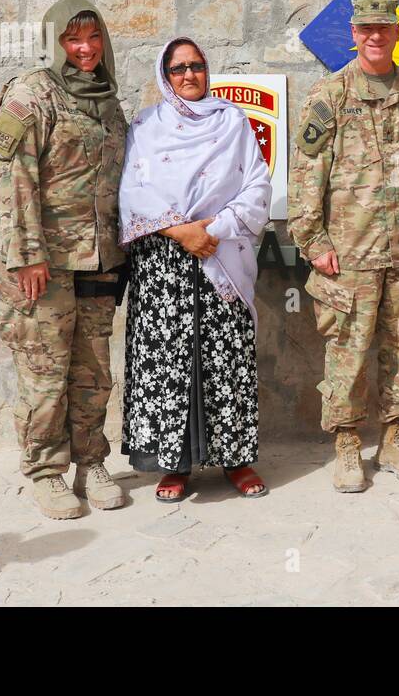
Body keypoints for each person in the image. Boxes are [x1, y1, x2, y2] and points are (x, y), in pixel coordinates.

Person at [288, 0, 399, 493]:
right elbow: (306, 174)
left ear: (398, 34)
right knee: (348, 354)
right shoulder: (330, 94)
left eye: (384, 28)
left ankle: (396, 440)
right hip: (349, 252)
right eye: (366, 29)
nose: (375, 36)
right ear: (353, 34)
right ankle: (347, 444)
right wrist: (312, 240)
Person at [0, 0, 128, 520]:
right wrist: (25, 254)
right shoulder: (30, 94)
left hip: (97, 260)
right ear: (54, 42)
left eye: (92, 37)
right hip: (41, 262)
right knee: (45, 374)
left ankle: (91, 463)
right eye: (72, 39)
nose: (85, 48)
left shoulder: (108, 101)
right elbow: (12, 179)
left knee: (93, 373)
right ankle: (46, 471)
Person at [118, 37, 272, 503]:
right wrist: (180, 231)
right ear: (165, 75)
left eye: (197, 66)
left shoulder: (233, 122)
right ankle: (175, 464)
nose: (189, 75)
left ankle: (236, 459)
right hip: (165, 260)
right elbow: (133, 190)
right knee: (169, 363)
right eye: (179, 68)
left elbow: (256, 185)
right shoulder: (146, 125)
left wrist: (217, 228)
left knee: (226, 360)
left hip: (221, 252)